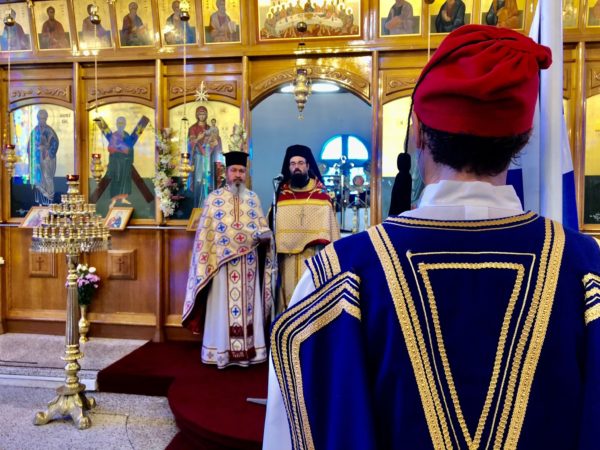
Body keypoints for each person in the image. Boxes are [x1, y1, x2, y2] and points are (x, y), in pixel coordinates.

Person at [265, 24, 600, 449]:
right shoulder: (586, 269)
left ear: (418, 133)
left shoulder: (340, 277)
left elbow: (295, 432)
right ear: (524, 137)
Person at [182, 150, 276, 369]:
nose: (238, 175)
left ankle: (250, 352)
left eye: (241, 171)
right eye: (234, 170)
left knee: (249, 308)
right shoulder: (214, 199)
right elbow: (207, 235)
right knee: (222, 308)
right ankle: (220, 351)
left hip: (248, 266)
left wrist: (265, 236)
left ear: (246, 173)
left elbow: (261, 226)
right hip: (221, 267)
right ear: (226, 172)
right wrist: (239, 240)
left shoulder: (253, 199)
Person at [273, 144, 340, 313]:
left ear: (308, 166)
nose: (297, 167)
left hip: (312, 258)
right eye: (293, 163)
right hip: (287, 261)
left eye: (301, 163)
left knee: (310, 301)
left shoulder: (321, 195)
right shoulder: (281, 196)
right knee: (288, 302)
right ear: (288, 167)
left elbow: (331, 232)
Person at [96, 115, 150, 209]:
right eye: (119, 123)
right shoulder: (114, 135)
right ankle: (114, 200)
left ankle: (123, 198)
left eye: (122, 123)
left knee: (125, 181)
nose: (120, 125)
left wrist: (126, 153)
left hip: (125, 163)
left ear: (124, 124)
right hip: (116, 163)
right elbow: (110, 148)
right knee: (116, 181)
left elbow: (130, 148)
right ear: (117, 124)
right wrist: (120, 149)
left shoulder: (127, 135)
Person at [28, 109, 59, 205]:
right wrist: (35, 149)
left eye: (44, 119)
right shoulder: (35, 131)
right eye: (40, 119)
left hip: (47, 160)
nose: (42, 121)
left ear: (46, 119)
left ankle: (49, 199)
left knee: (47, 177)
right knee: (38, 179)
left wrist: (47, 151)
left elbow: (55, 144)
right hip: (37, 159)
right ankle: (40, 203)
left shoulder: (50, 131)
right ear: (38, 119)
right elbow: (30, 146)